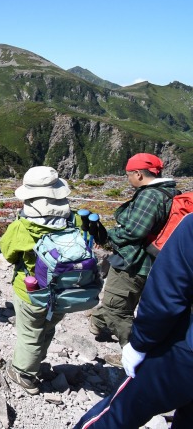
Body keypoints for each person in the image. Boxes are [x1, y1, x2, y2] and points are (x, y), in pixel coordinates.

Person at [74, 214, 193, 428]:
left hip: (183, 352)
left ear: (139, 176)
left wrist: (140, 343)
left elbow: (167, 294)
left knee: (118, 415)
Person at [88, 153, 177, 366]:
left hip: (134, 263)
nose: (127, 178)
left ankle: (132, 353)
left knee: (116, 305)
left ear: (138, 174)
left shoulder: (150, 196)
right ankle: (98, 323)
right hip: (155, 262)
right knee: (128, 301)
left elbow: (135, 231)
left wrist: (107, 236)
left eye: (128, 174)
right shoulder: (170, 192)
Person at [0, 166, 74, 395]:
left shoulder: (23, 226)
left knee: (30, 332)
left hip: (30, 289)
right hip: (64, 289)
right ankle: (37, 362)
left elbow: (8, 253)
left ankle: (24, 374)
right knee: (48, 328)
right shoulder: (74, 220)